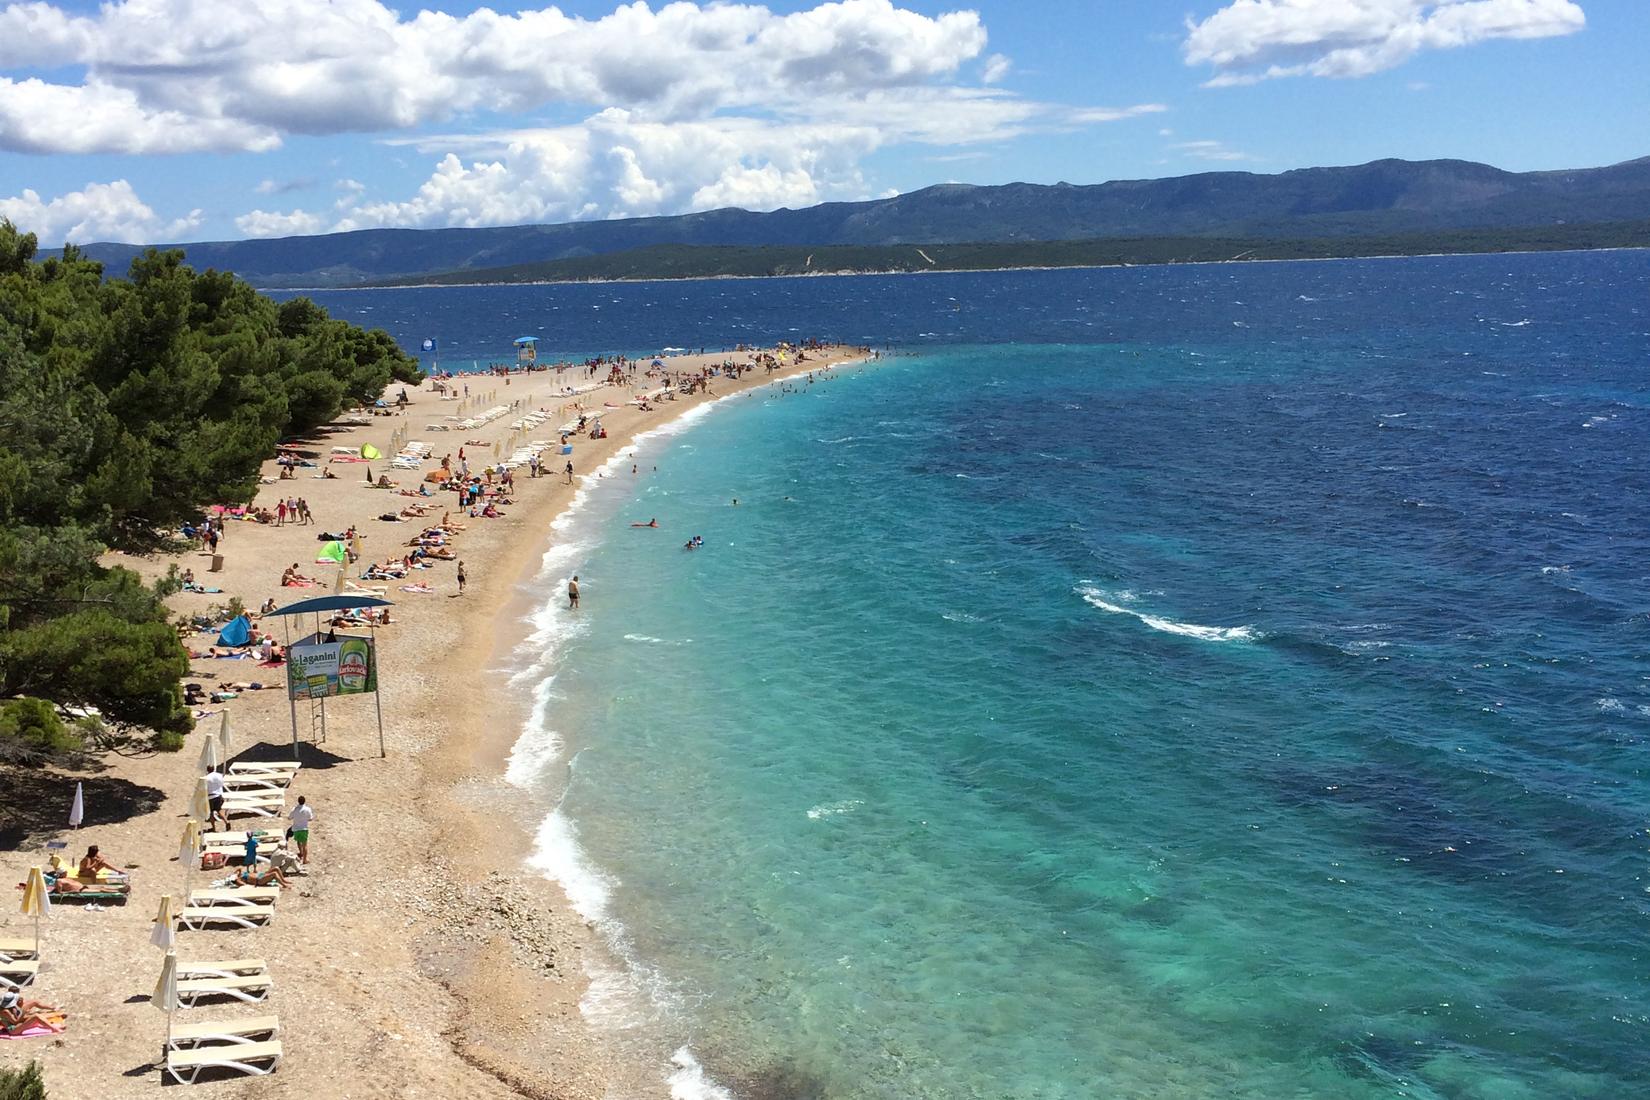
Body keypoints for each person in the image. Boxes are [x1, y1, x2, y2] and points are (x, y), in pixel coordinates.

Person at [289, 796, 314, 864]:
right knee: (304, 845)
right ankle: (305, 860)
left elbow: (289, 817)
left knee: (298, 841)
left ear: (298, 801)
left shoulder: (295, 809)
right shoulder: (307, 809)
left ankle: (301, 853)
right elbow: (311, 818)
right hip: (304, 828)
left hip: (296, 828)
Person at [204, 766, 228, 832]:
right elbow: (221, 784)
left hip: (210, 797)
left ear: (207, 770)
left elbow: (204, 788)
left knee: (211, 813)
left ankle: (213, 828)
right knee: (219, 810)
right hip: (218, 795)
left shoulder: (206, 778)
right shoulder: (219, 775)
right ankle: (226, 821)